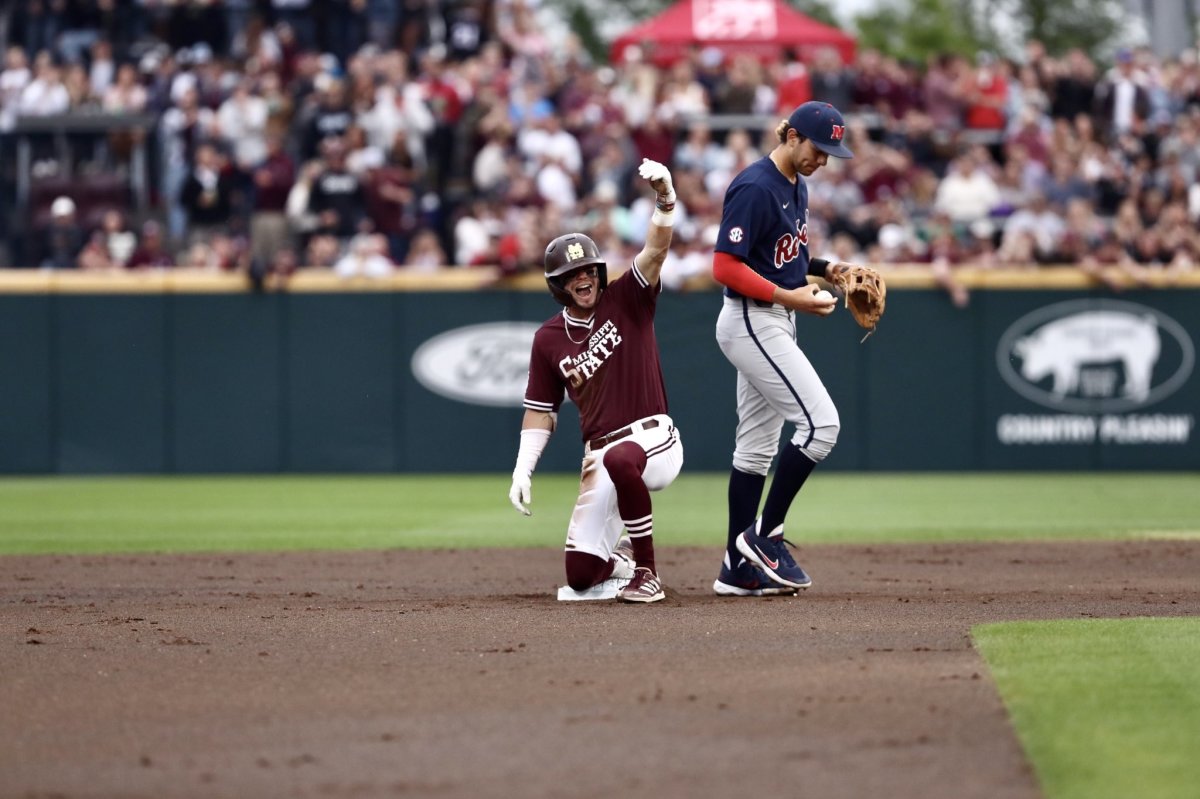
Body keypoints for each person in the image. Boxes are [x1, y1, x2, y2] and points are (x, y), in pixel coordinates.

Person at [508, 158, 683, 604]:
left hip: (653, 439)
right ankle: (621, 562)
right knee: (581, 575)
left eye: (587, 269)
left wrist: (664, 200)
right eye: (571, 275)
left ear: (598, 272)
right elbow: (540, 412)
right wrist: (523, 468)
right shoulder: (548, 338)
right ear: (558, 285)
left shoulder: (628, 299)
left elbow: (655, 251)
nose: (582, 278)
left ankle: (648, 573)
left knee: (623, 459)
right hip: (598, 453)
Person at [710, 101, 858, 597]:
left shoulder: (798, 183)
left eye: (832, 153)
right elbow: (726, 266)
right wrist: (790, 295)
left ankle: (736, 567)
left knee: (755, 451)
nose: (824, 159)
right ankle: (765, 537)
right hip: (753, 318)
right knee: (822, 425)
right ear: (792, 136)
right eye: (819, 148)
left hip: (774, 317)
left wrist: (825, 269)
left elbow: (782, 252)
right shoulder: (755, 185)